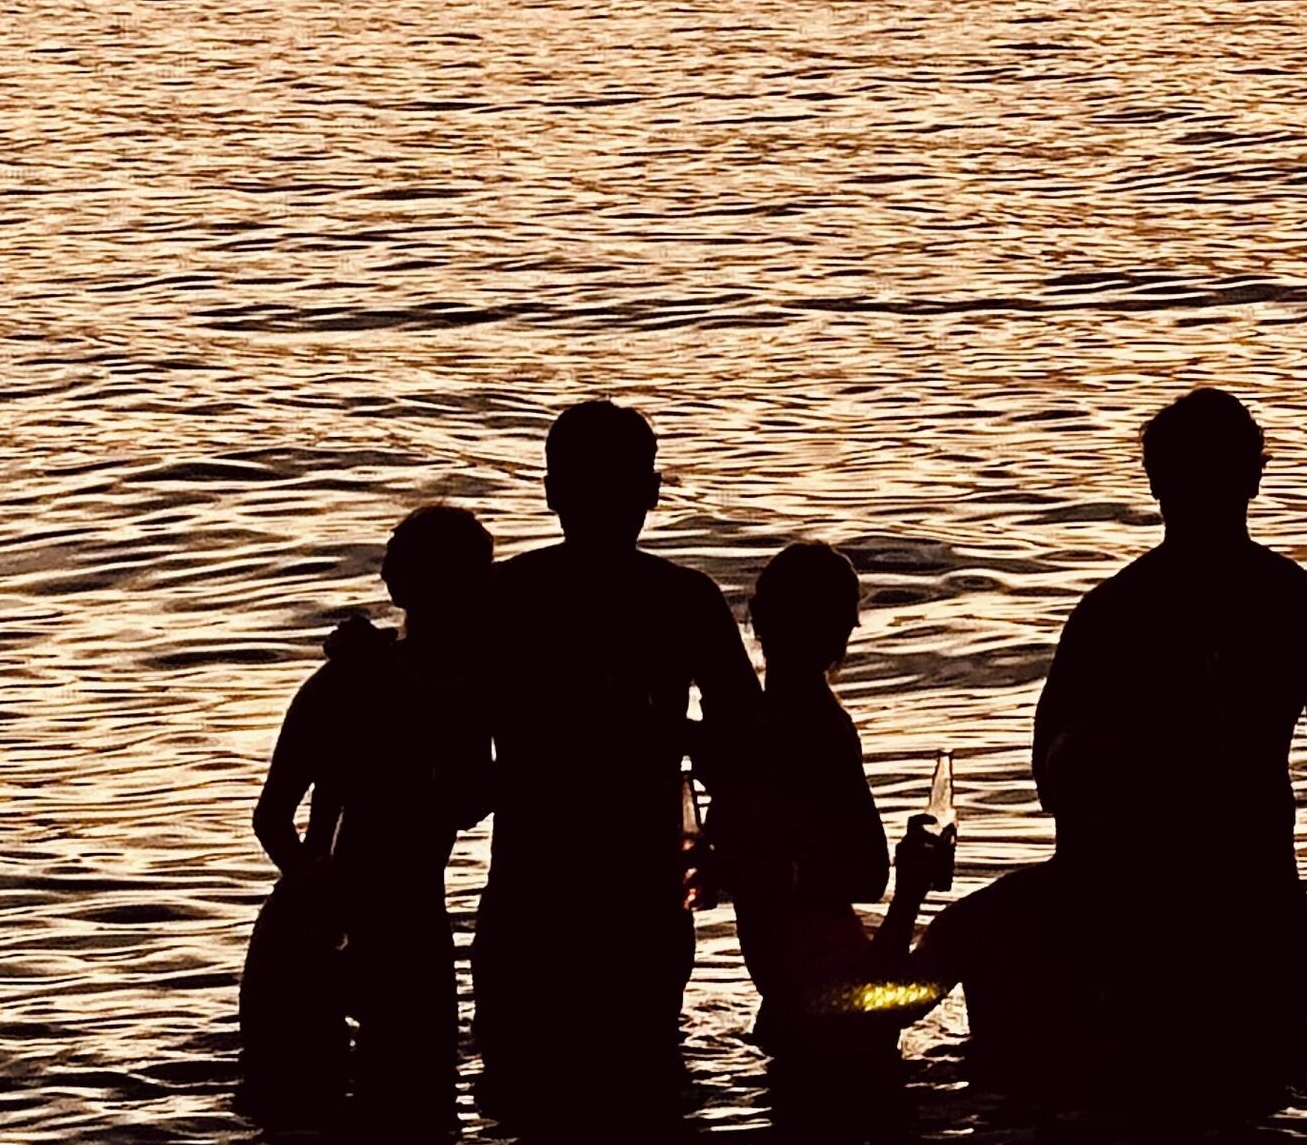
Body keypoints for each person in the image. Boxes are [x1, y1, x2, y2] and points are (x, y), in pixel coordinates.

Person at [1029, 387, 1307, 1056]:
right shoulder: (1305, 609)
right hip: (1253, 906)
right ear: (1255, 477)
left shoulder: (1111, 614)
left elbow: (1053, 780)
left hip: (1144, 917)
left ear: (1155, 481)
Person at [469, 399, 760, 1106]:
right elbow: (746, 745)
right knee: (641, 1100)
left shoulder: (502, 596)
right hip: (640, 893)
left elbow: (457, 757)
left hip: (531, 887)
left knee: (522, 1104)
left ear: (550, 494)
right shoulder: (686, 599)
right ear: (652, 495)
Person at [239, 503, 496, 1103]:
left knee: (314, 1133)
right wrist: (313, 882)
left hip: (390, 923)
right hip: (338, 922)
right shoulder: (348, 682)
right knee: (408, 1126)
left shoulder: (455, 685)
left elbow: (467, 797)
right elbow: (272, 816)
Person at [711, 541, 894, 1049]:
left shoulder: (818, 729)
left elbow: (869, 871)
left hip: (821, 978)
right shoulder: (765, 727)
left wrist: (779, 877)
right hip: (806, 982)